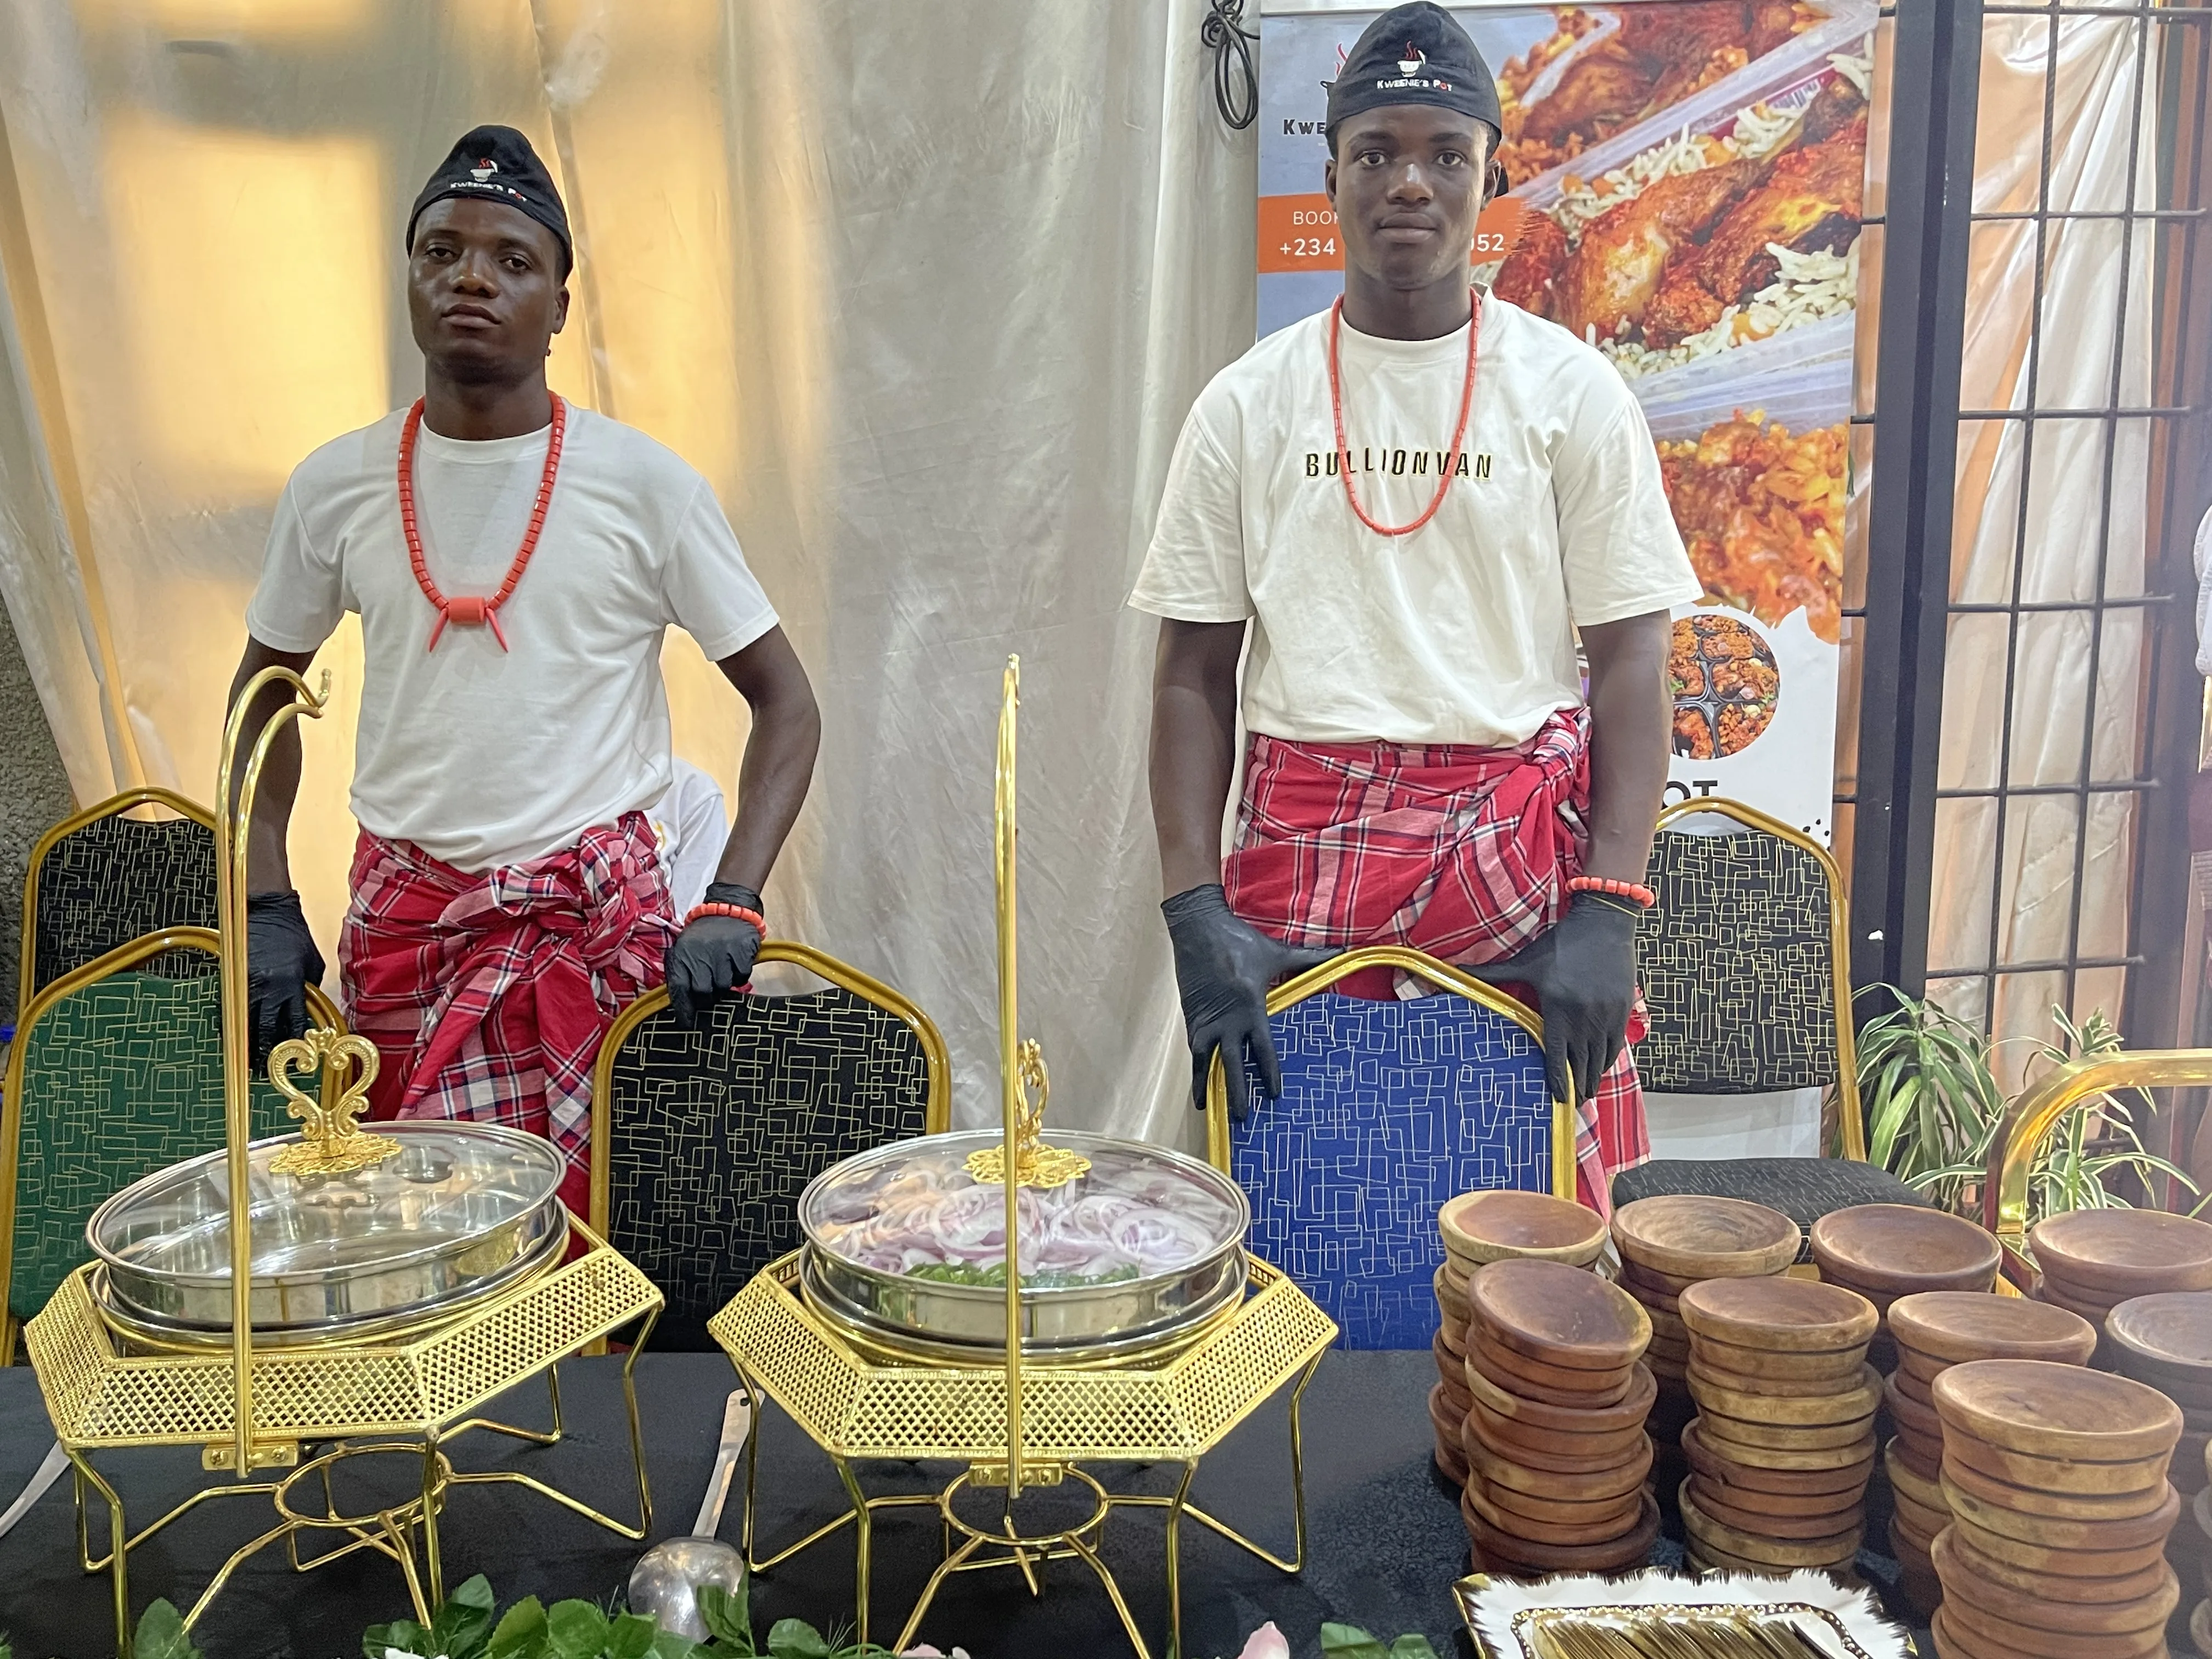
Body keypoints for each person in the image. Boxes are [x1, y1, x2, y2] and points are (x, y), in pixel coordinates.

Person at [1132, 4, 1699, 1212]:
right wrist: (1194, 915)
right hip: (1299, 866)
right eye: (1377, 151)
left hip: (1517, 872)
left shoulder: (1573, 393)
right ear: (1329, 172)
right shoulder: (1245, 405)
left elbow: (1634, 667)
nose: (1410, 183)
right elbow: (1191, 676)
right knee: (1312, 1219)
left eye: (1445, 154)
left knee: (1532, 1250)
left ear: (1492, 173)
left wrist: (1609, 907)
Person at [229, 127, 820, 1211]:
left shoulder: (649, 486)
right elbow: (261, 702)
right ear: (407, 279)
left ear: (559, 305)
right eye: (442, 251)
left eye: (511, 260)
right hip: (402, 935)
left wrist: (732, 898)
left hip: (590, 942)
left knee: (593, 1254)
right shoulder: (335, 486)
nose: (471, 278)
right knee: (416, 1249)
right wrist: (265, 897)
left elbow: (788, 705)